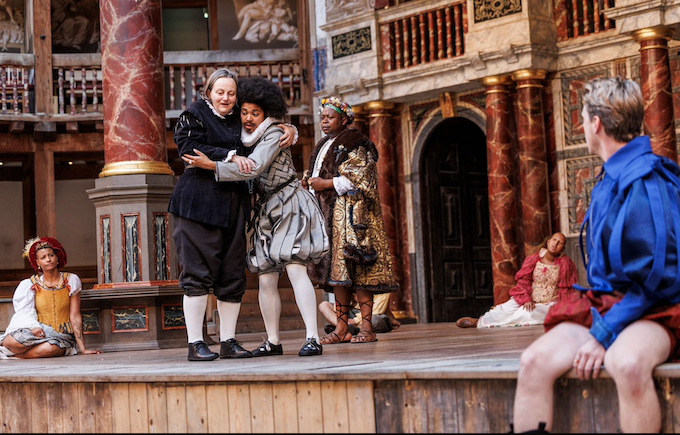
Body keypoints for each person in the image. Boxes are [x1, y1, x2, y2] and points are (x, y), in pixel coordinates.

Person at [512, 77, 680, 433]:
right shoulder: (608, 178)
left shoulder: (650, 179)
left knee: (627, 363)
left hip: (656, 307)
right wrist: (604, 325)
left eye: (584, 119)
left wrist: (604, 333)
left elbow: (661, 278)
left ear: (596, 123)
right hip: (609, 304)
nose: (582, 127)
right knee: (533, 361)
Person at [183, 76, 329, 357]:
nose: (248, 118)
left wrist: (212, 165)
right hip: (265, 209)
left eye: (255, 113)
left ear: (266, 114)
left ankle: (313, 337)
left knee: (295, 268)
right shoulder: (242, 137)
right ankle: (273, 341)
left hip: (289, 203)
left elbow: (255, 166)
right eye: (245, 112)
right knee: (266, 276)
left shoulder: (273, 133)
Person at [168, 68, 297, 362]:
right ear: (208, 93)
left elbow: (264, 125)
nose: (226, 98)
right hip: (197, 205)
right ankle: (195, 343)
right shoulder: (193, 115)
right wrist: (230, 156)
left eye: (231, 93)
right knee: (197, 275)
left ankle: (228, 341)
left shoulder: (239, 117)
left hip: (234, 205)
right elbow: (188, 148)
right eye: (220, 92)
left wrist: (288, 128)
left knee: (232, 276)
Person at [304, 96, 398, 344]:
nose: (325, 121)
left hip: (354, 219)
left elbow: (361, 178)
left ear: (344, 119)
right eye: (323, 117)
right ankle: (342, 328)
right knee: (338, 274)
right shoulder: (324, 144)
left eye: (330, 117)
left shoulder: (356, 143)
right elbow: (318, 174)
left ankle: (367, 327)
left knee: (360, 271)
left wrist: (325, 183)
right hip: (331, 220)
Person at [0, 237, 101, 359]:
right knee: (10, 341)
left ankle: (16, 356)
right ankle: (29, 351)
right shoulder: (30, 284)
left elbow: (75, 316)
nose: (48, 259)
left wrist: (83, 348)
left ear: (57, 258)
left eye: (51, 255)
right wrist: (33, 327)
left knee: (50, 348)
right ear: (37, 263)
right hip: (40, 332)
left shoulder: (71, 280)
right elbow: (24, 313)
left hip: (61, 336)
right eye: (43, 257)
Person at [455, 232, 577, 329]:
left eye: (560, 243)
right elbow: (524, 280)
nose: (556, 243)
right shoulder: (533, 259)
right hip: (527, 298)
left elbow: (568, 288)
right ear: (548, 241)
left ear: (563, 248)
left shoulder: (566, 264)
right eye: (554, 240)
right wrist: (526, 299)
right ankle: (479, 322)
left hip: (548, 304)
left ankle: (504, 323)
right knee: (503, 310)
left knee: (527, 313)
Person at [319, 292, 401, 335]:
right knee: (324, 305)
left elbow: (377, 310)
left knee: (376, 320)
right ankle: (343, 326)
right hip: (352, 312)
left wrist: (355, 320)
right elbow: (340, 306)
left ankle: (350, 329)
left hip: (371, 314)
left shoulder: (380, 279)